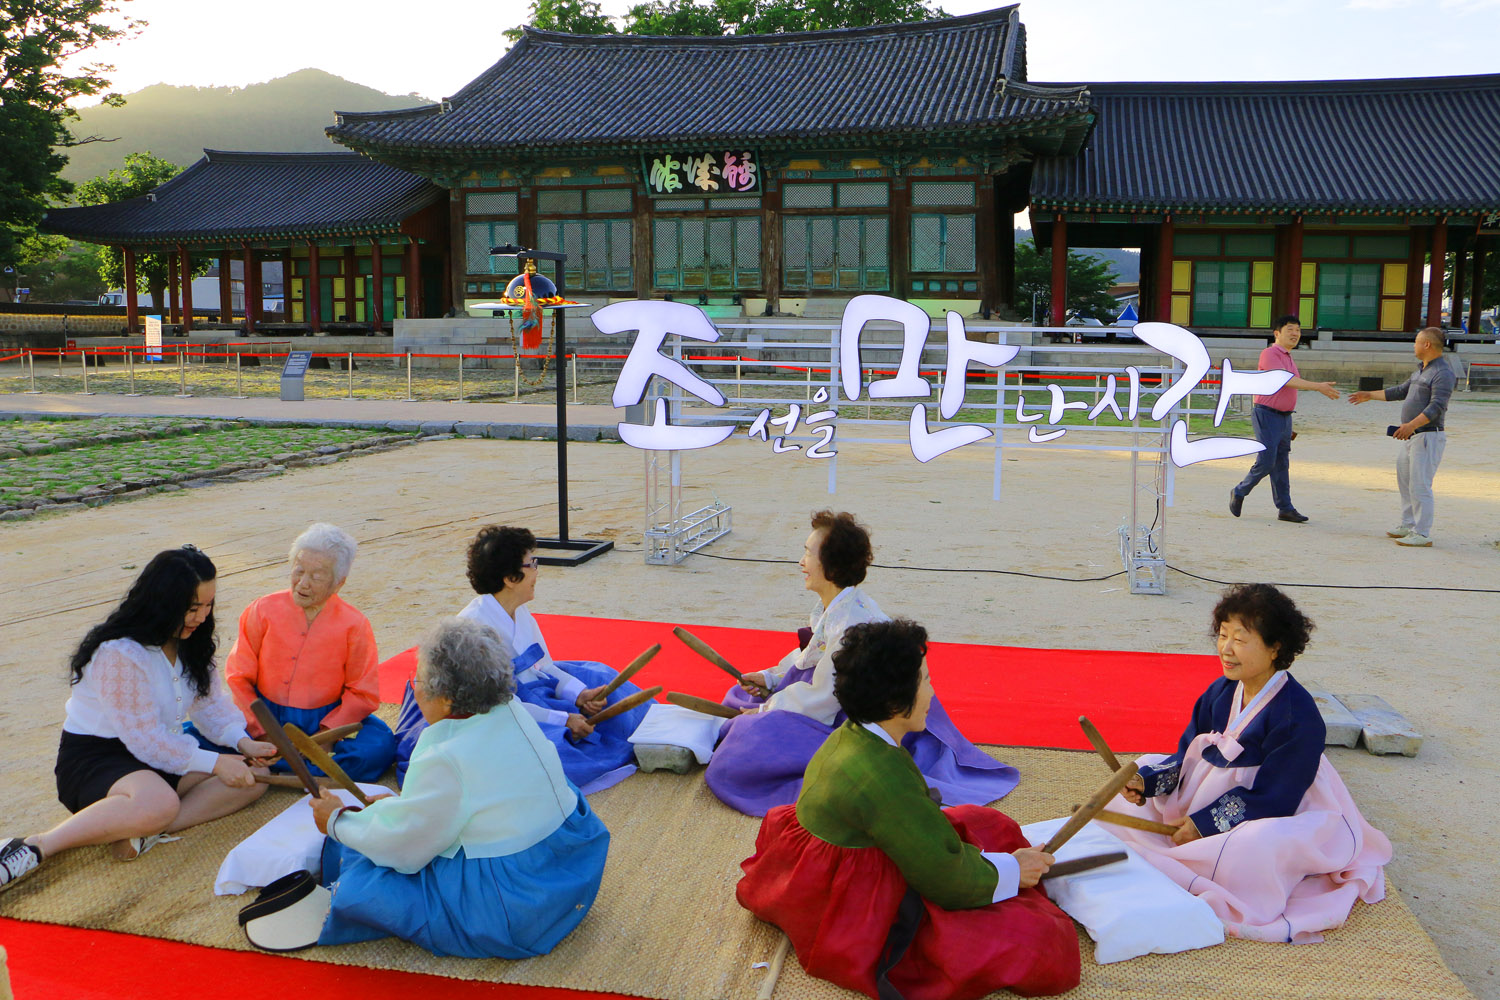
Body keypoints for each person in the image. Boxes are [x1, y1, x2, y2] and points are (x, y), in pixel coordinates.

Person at [736, 619, 1079, 1000]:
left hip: (836, 850)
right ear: (895, 703)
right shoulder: (883, 777)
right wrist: (1012, 871)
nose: (932, 692)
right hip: (851, 893)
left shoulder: (854, 733)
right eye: (926, 680)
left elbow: (910, 820)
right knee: (1041, 941)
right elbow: (945, 879)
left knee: (986, 822)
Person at [1108, 583, 1391, 943]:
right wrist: (1147, 783)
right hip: (1207, 788)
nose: (1226, 649)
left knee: (1251, 847)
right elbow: (1186, 755)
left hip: (1277, 807)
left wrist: (1203, 824)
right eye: (1223, 635)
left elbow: (1277, 797)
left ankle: (1195, 860)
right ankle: (1187, 854)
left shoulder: (1298, 716)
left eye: (1240, 640)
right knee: (1136, 773)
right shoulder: (1221, 691)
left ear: (1275, 648)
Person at [311, 617, 609, 958]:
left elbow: (406, 848)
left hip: (516, 904)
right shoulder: (511, 708)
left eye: (419, 680)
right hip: (572, 867)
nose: (415, 689)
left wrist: (338, 821)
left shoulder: (444, 754)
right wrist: (394, 809)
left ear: (447, 700)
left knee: (360, 883)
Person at [704, 510, 1018, 817]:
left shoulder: (851, 623)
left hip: (866, 717)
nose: (801, 562)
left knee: (749, 740)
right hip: (838, 699)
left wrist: (766, 710)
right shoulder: (842, 605)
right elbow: (813, 655)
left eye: (808, 554)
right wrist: (771, 679)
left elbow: (823, 697)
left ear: (832, 565)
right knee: (742, 696)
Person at [1, 546, 276, 890]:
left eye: (208, 605)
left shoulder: (193, 643)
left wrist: (243, 742)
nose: (202, 617)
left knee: (254, 776)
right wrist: (217, 762)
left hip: (158, 754)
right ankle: (37, 845)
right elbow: (144, 739)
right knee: (160, 801)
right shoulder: (119, 652)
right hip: (97, 759)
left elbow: (209, 706)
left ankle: (145, 829)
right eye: (192, 608)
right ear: (163, 602)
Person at [392, 526, 650, 792]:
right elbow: (497, 704)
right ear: (510, 578)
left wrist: (579, 694)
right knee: (544, 753)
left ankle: (645, 729)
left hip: (530, 692)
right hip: (491, 710)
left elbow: (545, 666)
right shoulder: (473, 629)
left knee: (601, 677)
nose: (537, 571)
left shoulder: (520, 611)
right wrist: (562, 719)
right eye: (531, 564)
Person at [198, 524, 395, 782]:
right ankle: (302, 766)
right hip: (264, 716)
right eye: (299, 570)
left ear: (338, 583)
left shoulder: (354, 624)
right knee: (196, 735)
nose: (303, 583)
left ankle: (280, 764)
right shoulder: (262, 610)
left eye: (316, 576)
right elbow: (238, 677)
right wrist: (262, 731)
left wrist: (325, 737)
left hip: (326, 721)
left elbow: (362, 693)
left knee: (381, 746)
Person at [1349, 326, 1456, 546]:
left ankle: (1422, 532)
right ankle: (1408, 524)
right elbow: (1400, 391)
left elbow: (1437, 407)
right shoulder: (1421, 370)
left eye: (1416, 341)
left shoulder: (1442, 373)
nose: (1414, 345)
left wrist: (1411, 425)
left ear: (1427, 344)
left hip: (1427, 435)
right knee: (1406, 482)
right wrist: (1370, 395)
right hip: (1411, 436)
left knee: (1420, 485)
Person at [1230, 315, 1340, 523]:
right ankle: (1240, 491)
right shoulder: (1270, 353)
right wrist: (1318, 386)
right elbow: (1284, 380)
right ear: (1277, 333)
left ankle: (1285, 508)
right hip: (1267, 414)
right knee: (1266, 461)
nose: (1295, 334)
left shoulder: (1288, 357)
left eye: (1298, 330)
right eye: (1290, 329)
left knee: (1281, 463)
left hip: (1284, 417)